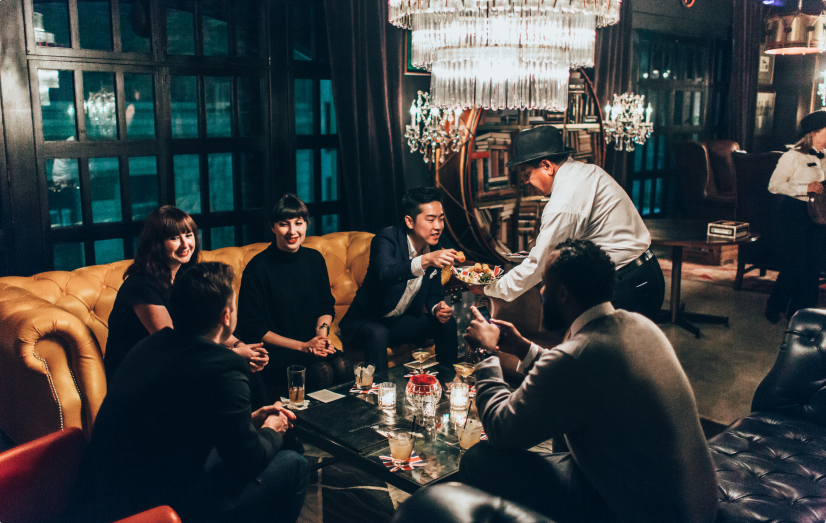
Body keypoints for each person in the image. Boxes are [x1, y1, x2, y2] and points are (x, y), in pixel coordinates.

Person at [460, 239, 718, 523]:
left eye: (545, 284)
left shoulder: (576, 357)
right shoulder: (638, 325)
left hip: (640, 513)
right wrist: (523, 348)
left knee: (478, 459)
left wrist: (486, 353)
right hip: (695, 504)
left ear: (563, 294)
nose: (541, 292)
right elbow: (575, 374)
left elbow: (500, 429)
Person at [67, 262, 308, 523]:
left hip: (103, 497)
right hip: (161, 506)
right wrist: (272, 429)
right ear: (226, 316)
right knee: (294, 464)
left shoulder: (148, 346)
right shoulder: (224, 365)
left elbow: (179, 427)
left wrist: (249, 421)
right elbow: (246, 462)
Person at [470, 125, 664, 320]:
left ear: (547, 166)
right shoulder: (586, 171)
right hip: (644, 272)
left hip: (629, 284)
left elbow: (538, 266)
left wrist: (490, 288)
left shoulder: (564, 201)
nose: (526, 181)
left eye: (526, 173)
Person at [106, 205, 267, 382]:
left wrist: (241, 346)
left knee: (246, 371)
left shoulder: (184, 275)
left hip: (175, 361)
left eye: (188, 235)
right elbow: (173, 345)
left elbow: (208, 324)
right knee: (231, 369)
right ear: (156, 243)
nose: (185, 244)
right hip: (139, 374)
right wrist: (235, 354)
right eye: (174, 238)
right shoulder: (141, 284)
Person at [235, 195, 351, 397]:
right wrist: (303, 347)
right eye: (284, 224)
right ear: (272, 227)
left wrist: (321, 337)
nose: (292, 231)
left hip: (310, 345)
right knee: (320, 372)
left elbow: (326, 306)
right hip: (275, 353)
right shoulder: (257, 268)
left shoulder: (315, 259)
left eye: (298, 223)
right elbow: (255, 328)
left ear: (306, 224)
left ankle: (346, 418)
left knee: (343, 365)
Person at [339, 187, 460, 370]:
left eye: (441, 219)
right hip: (365, 321)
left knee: (447, 323)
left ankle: (448, 380)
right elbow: (386, 273)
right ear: (410, 221)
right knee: (378, 333)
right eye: (430, 219)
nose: (438, 226)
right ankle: (380, 387)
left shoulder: (435, 248)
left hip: (397, 323)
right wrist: (425, 260)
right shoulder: (386, 238)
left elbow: (433, 294)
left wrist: (437, 308)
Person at [765, 110, 826, 323]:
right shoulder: (791, 156)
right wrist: (805, 188)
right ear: (814, 132)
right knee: (796, 262)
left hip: (818, 214)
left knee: (814, 265)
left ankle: (800, 313)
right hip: (793, 211)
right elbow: (774, 186)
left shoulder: (825, 155)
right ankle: (775, 305)